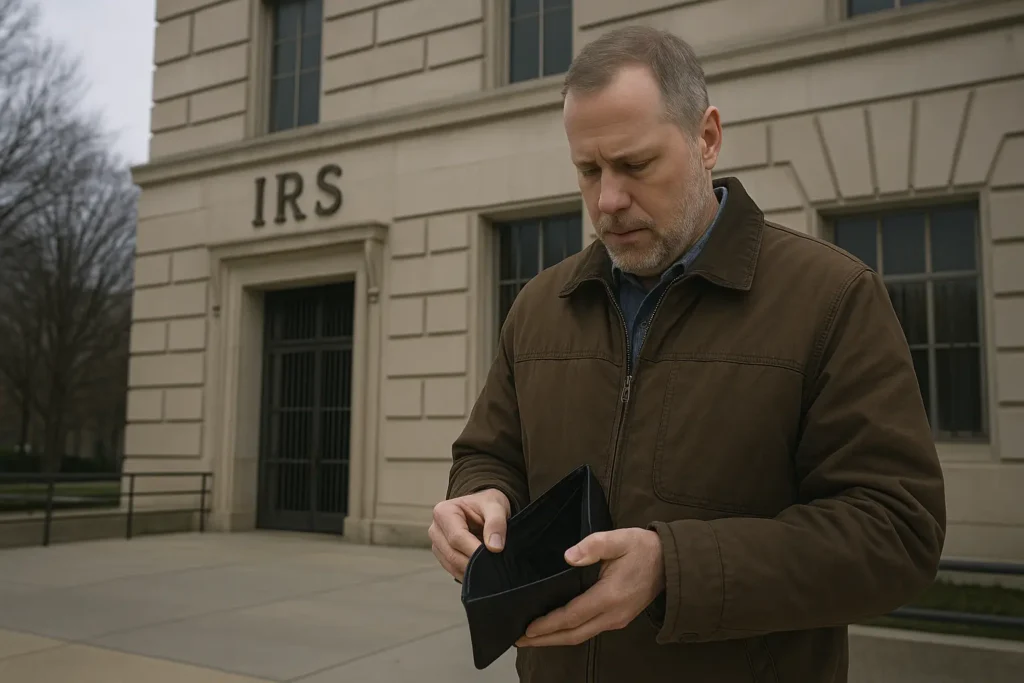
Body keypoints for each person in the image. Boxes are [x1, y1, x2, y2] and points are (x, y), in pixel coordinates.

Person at [429, 25, 946, 683]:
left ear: (706, 138)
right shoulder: (539, 306)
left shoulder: (833, 298)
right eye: (588, 171)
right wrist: (477, 499)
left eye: (635, 165)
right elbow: (489, 452)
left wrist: (675, 567)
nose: (607, 201)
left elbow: (898, 532)